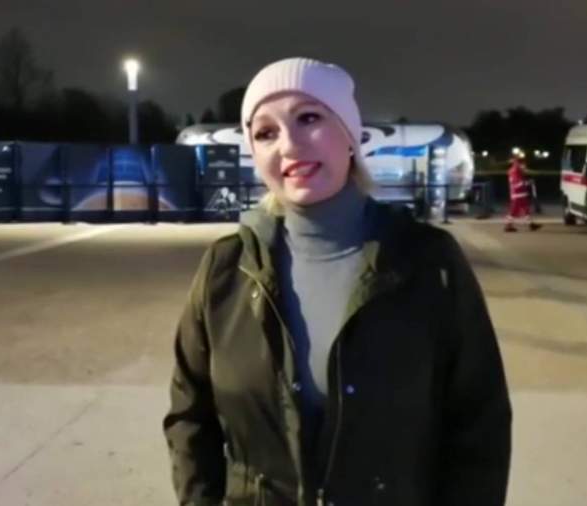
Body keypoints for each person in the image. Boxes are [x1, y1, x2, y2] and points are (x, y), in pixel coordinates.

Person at [163, 57, 512, 506]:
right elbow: (190, 417)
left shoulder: (430, 262)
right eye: (266, 133)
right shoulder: (225, 268)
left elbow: (479, 426)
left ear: (350, 134)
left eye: (308, 118)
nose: (289, 145)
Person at [505, 155, 541, 232]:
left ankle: (531, 224)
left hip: (520, 193)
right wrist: (527, 183)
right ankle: (508, 226)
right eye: (524, 164)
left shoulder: (516, 170)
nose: (525, 166)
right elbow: (517, 184)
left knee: (525, 209)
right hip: (517, 194)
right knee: (514, 211)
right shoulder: (515, 171)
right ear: (520, 163)